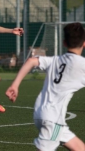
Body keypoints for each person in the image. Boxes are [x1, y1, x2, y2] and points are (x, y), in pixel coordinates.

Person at [6, 22, 85, 151]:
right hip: (53, 120)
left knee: (80, 148)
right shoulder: (82, 65)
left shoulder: (55, 60)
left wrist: (15, 85)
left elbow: (31, 61)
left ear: (64, 43)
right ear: (84, 43)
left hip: (45, 116)